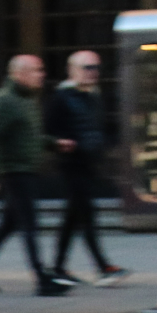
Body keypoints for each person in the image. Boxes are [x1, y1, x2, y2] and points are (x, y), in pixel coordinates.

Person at [0, 54, 69, 296]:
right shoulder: (3, 100)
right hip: (15, 172)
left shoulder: (27, 100)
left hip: (27, 170)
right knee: (29, 226)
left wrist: (54, 144)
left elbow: (29, 137)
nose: (41, 75)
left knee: (8, 225)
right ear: (19, 74)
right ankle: (42, 279)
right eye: (36, 70)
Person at [43, 50, 130, 287]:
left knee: (73, 218)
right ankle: (103, 267)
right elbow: (48, 132)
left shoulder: (94, 96)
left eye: (96, 68)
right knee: (87, 216)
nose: (93, 73)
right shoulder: (61, 98)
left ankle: (58, 268)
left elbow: (98, 128)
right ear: (72, 70)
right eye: (87, 68)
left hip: (90, 164)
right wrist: (60, 144)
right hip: (71, 165)